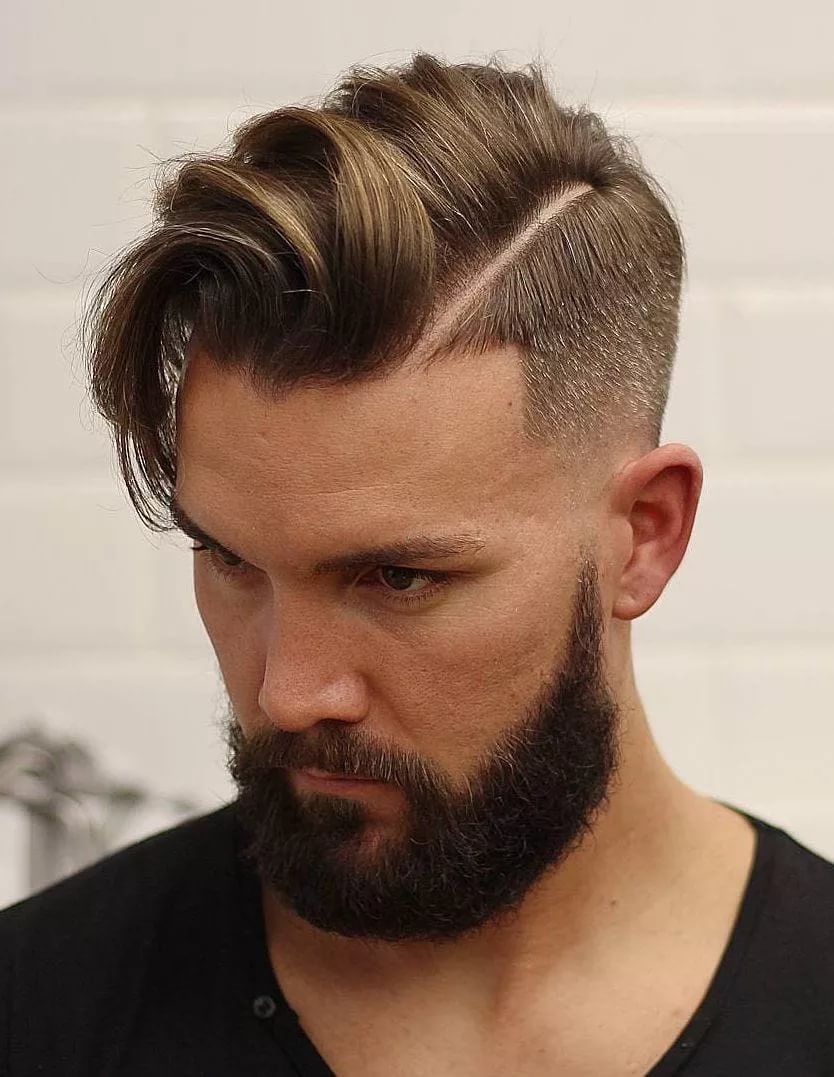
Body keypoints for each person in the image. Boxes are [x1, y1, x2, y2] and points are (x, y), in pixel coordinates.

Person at [1, 52, 831, 1077]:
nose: (289, 692)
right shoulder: (40, 1007)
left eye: (399, 578)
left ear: (645, 534)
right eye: (229, 557)